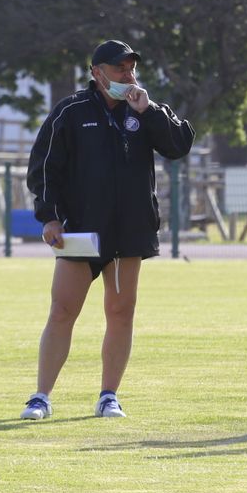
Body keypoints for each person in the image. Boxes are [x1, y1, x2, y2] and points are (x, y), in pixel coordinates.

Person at [19, 39, 196, 420]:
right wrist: (49, 217)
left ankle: (108, 396)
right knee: (63, 310)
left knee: (120, 312)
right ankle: (40, 397)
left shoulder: (146, 109)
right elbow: (43, 167)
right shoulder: (71, 111)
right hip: (81, 231)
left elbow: (179, 145)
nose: (128, 75)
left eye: (131, 68)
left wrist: (149, 111)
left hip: (129, 231)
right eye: (119, 68)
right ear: (97, 73)